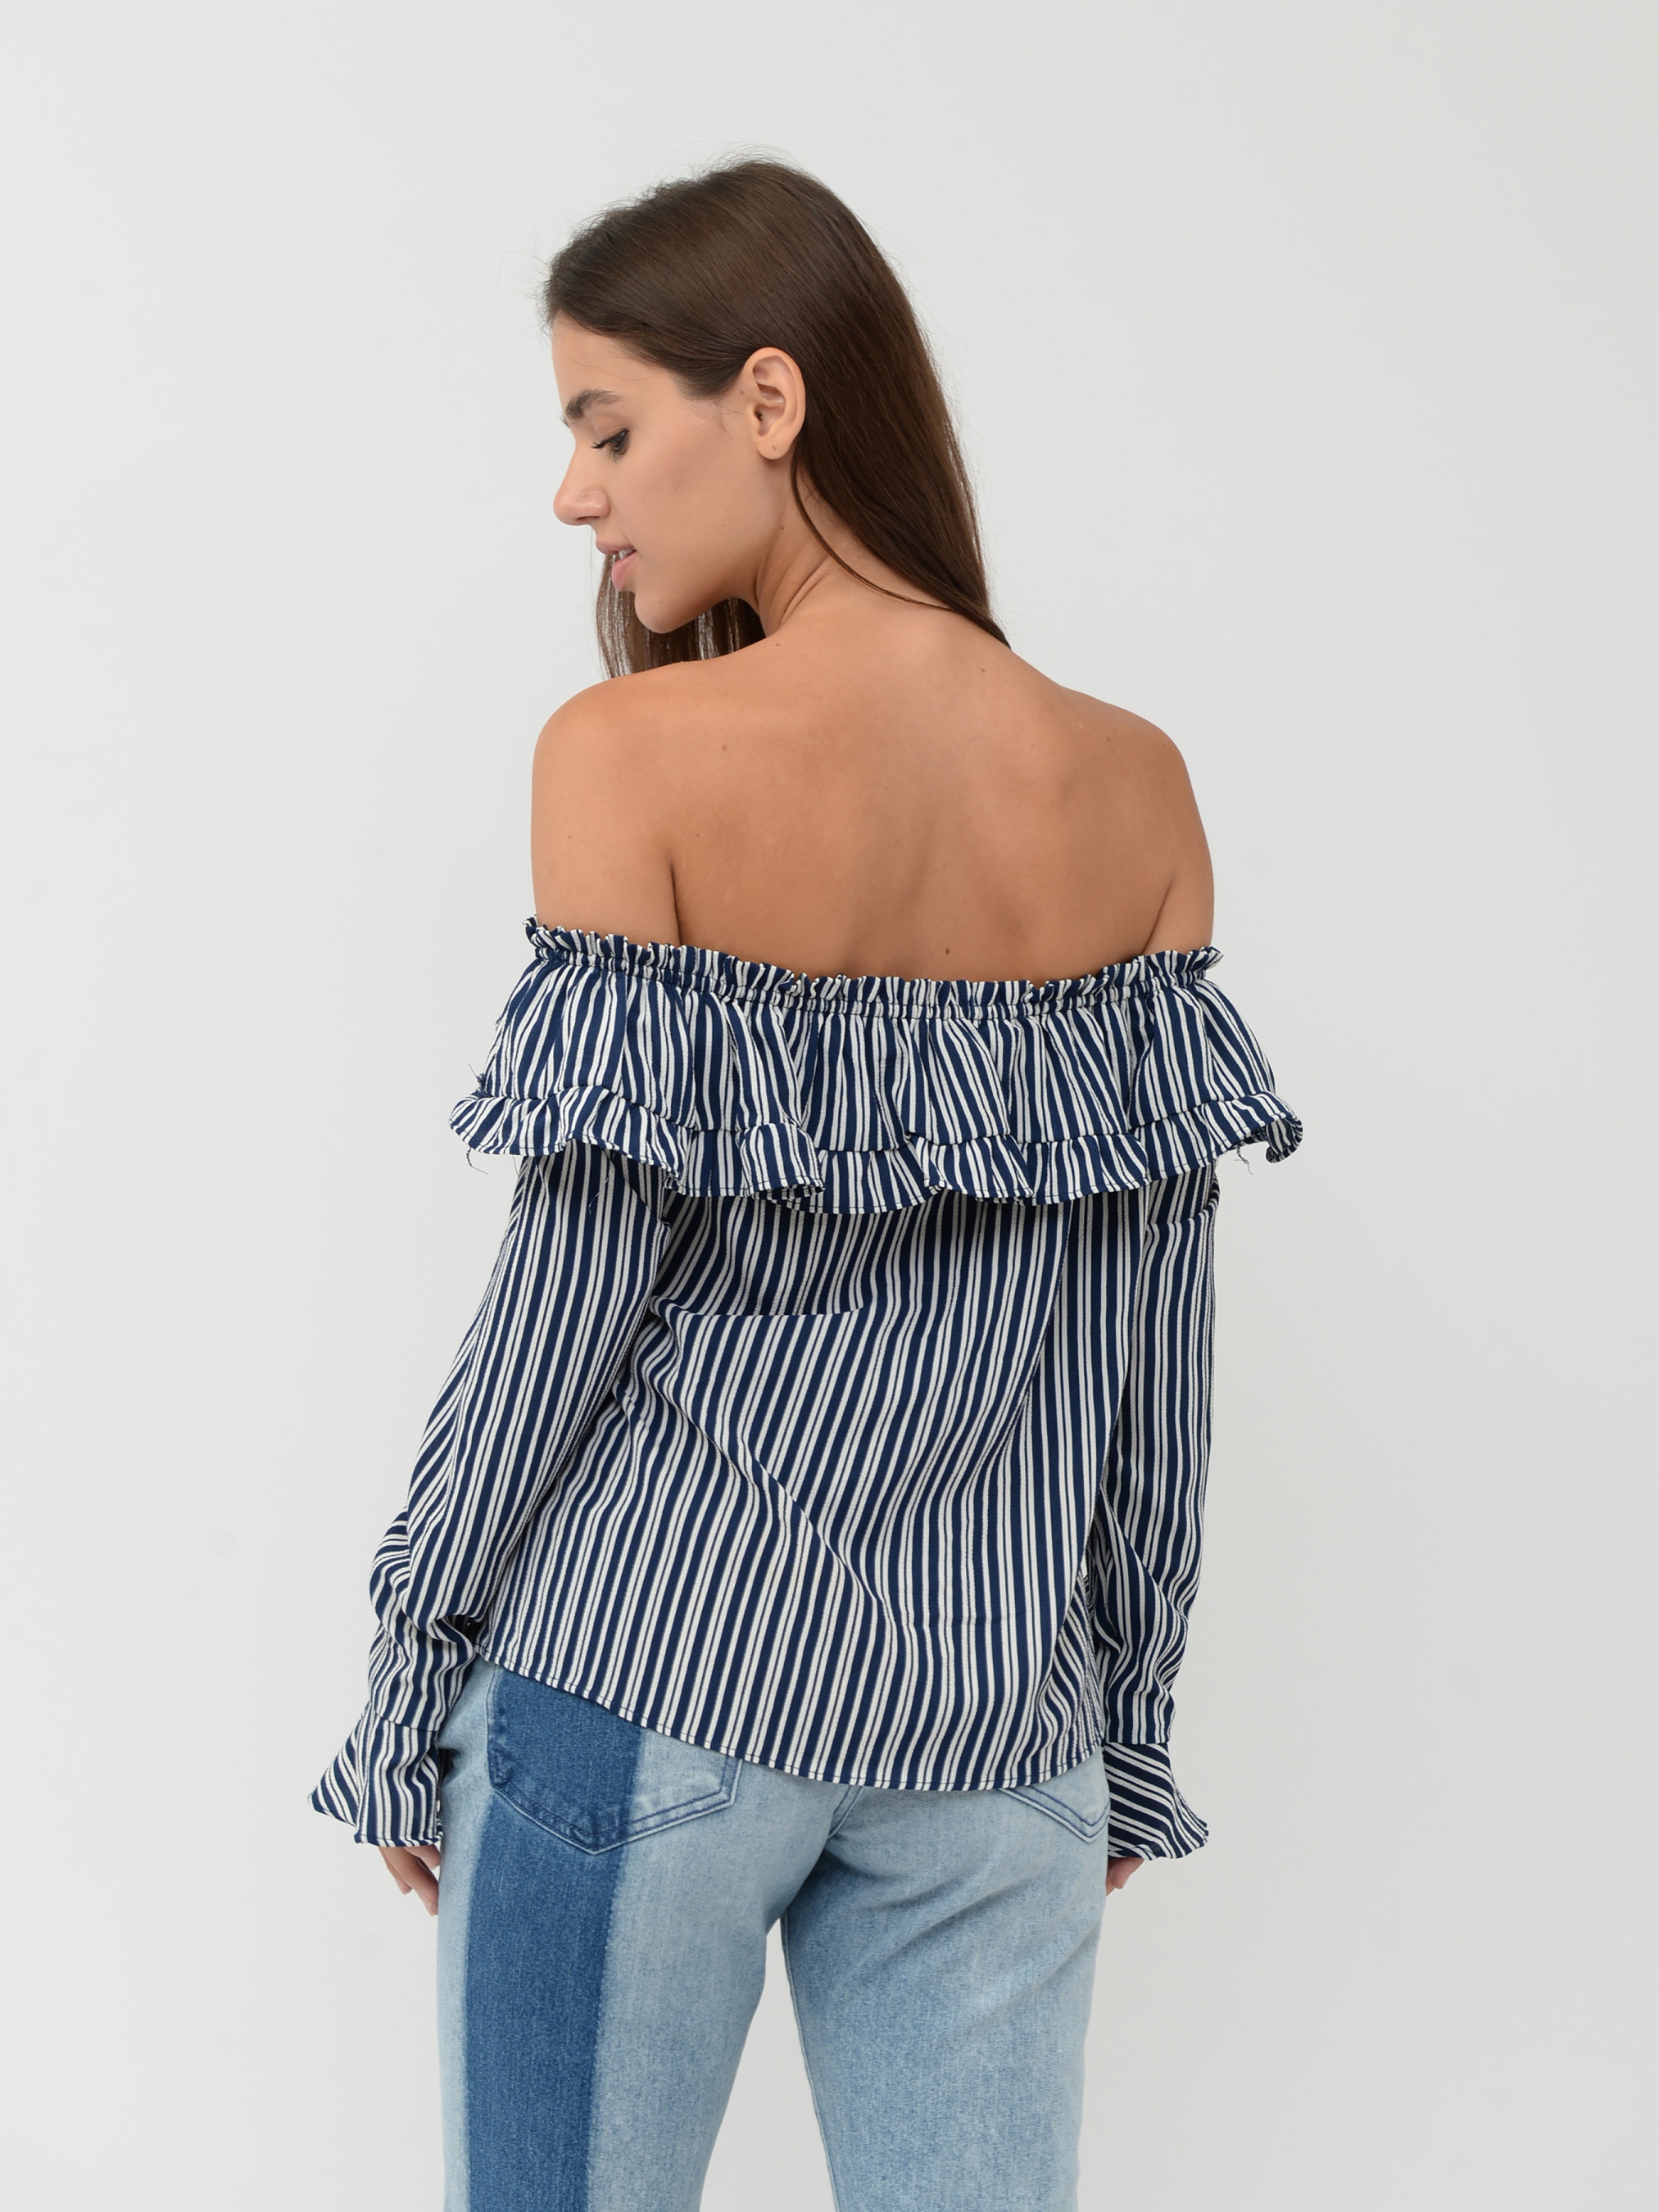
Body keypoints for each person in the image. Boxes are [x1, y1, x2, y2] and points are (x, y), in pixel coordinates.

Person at [312, 158, 1300, 2212]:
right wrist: (1124, 1714)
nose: (574, 496)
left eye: (606, 428)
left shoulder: (629, 756)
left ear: (767, 399)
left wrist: (416, 1654)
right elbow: (1153, 1335)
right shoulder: (1133, 786)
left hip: (650, 1675)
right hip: (996, 1736)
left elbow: (574, 1277)